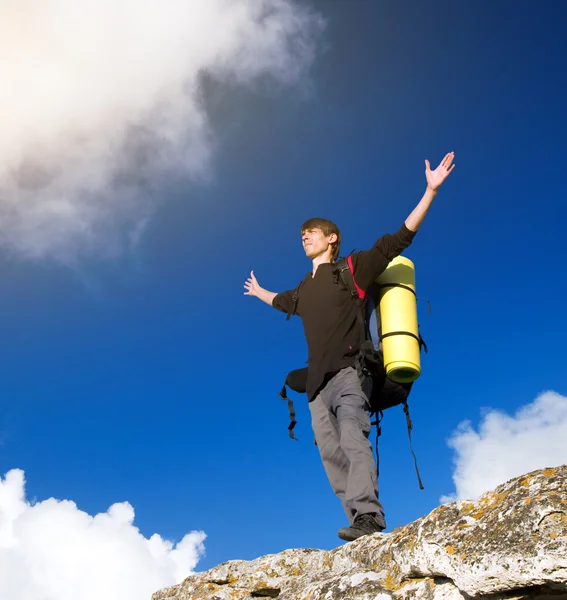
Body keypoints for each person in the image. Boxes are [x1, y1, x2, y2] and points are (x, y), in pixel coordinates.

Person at [244, 152, 455, 541]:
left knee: (353, 439)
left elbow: (398, 240)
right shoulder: (304, 290)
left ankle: (370, 516)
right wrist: (259, 292)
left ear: (331, 239)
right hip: (315, 388)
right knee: (331, 455)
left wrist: (430, 191)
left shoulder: (351, 270)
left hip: (349, 375)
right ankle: (360, 524)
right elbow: (282, 302)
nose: (304, 237)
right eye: (302, 235)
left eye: (312, 232)